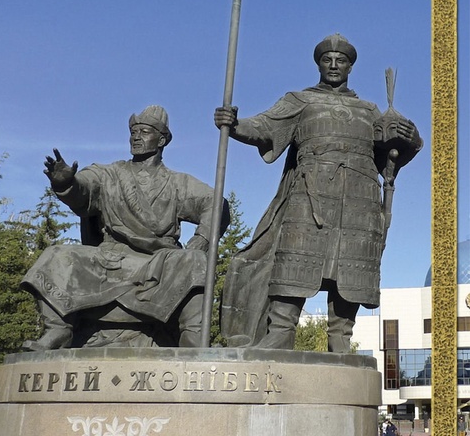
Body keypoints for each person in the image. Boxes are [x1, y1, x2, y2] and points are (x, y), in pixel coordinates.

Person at [215, 34, 422, 352]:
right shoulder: (301, 101)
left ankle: (341, 336)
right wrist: (235, 124)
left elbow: (393, 154)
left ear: (350, 67)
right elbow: (265, 126)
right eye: (328, 60)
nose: (334, 65)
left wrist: (410, 136)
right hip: (310, 195)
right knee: (295, 257)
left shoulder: (369, 110)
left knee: (352, 265)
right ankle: (281, 330)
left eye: (341, 60)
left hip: (360, 198)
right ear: (319, 65)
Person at [21, 105, 229, 350]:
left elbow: (217, 204)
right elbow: (85, 190)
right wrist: (67, 184)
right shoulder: (108, 173)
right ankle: (58, 330)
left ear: (162, 140)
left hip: (159, 261)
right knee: (57, 255)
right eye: (133, 132)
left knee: (195, 260)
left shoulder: (178, 183)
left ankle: (192, 337)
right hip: (112, 257)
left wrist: (202, 238)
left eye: (144, 132)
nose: (136, 137)